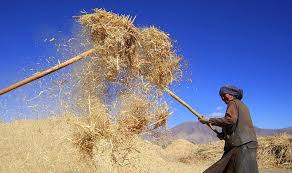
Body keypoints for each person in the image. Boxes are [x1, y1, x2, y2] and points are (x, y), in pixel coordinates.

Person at [199, 85, 259, 173]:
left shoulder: (233, 103)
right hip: (246, 143)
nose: (222, 98)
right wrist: (223, 135)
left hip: (241, 145)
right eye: (221, 96)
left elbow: (230, 120)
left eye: (224, 95)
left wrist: (209, 120)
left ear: (231, 95)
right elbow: (234, 125)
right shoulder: (242, 105)